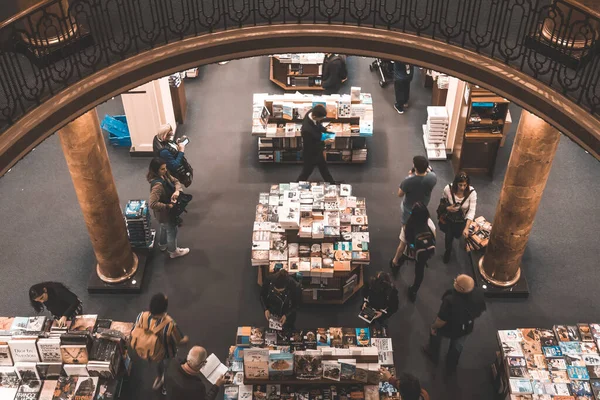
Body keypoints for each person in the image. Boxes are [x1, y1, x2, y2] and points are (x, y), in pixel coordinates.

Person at [422, 274, 486, 374]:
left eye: (456, 281)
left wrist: (433, 326)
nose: (454, 281)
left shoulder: (450, 300)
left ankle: (433, 354)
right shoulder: (479, 294)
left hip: (449, 327)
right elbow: (480, 311)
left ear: (460, 288)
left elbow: (441, 320)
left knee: (435, 334)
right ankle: (451, 366)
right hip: (466, 327)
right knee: (457, 346)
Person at [135, 293, 189, 393]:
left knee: (158, 365)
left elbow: (136, 330)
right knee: (168, 368)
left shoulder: (141, 316)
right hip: (167, 353)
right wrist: (186, 339)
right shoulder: (169, 325)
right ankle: (165, 385)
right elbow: (179, 342)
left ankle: (159, 377)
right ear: (164, 308)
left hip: (150, 352)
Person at [390, 202, 436, 302]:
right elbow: (434, 238)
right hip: (423, 254)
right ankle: (414, 290)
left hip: (410, 252)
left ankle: (395, 268)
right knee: (419, 273)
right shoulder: (430, 224)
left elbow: (401, 247)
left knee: (401, 259)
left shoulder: (408, 226)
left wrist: (395, 259)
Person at [147, 157, 189, 258]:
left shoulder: (164, 175)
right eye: (162, 169)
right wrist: (167, 206)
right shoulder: (158, 185)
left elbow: (176, 181)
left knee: (163, 227)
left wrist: (177, 191)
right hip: (165, 213)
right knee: (172, 230)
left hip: (162, 215)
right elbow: (152, 204)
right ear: (156, 170)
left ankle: (162, 244)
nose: (165, 170)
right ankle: (173, 251)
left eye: (165, 168)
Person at [440, 172, 477, 264]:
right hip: (449, 219)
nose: (462, 188)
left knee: (458, 235)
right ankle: (448, 251)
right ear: (456, 183)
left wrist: (467, 227)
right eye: (460, 185)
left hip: (461, 220)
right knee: (448, 237)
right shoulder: (447, 189)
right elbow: (442, 202)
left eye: (465, 185)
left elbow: (472, 210)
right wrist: (447, 208)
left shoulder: (472, 193)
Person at [297, 104, 335, 183]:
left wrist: (325, 130)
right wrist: (325, 142)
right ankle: (295, 187)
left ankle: (332, 184)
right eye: (321, 118)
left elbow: (317, 124)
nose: (322, 119)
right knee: (306, 172)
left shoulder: (311, 112)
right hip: (310, 153)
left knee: (324, 169)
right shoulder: (306, 130)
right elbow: (311, 146)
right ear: (314, 117)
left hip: (318, 150)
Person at [396, 155, 437, 228]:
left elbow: (400, 194)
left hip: (409, 208)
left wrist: (410, 176)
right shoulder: (432, 177)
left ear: (415, 167)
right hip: (423, 204)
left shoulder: (408, 181)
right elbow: (430, 172)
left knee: (406, 223)